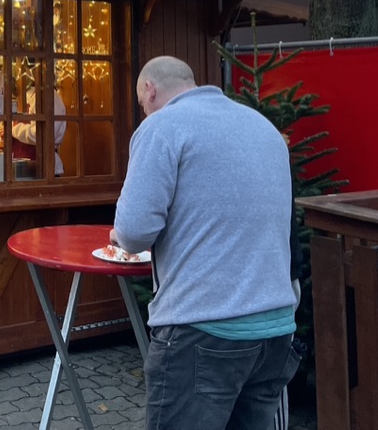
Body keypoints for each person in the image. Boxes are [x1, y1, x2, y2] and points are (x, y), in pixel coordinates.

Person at [110, 56, 299, 430]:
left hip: (202, 331)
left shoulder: (162, 127)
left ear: (150, 90)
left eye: (142, 105)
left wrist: (120, 234)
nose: (145, 113)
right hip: (276, 330)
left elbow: (133, 232)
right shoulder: (263, 127)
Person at [10, 88, 67, 176]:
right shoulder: (39, 96)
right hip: (32, 165)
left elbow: (44, 134)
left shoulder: (47, 97)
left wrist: (14, 130)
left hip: (44, 165)